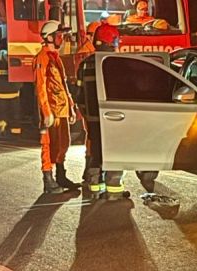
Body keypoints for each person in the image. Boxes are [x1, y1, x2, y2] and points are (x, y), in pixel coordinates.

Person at [76, 22, 130, 201]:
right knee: (114, 151)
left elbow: (79, 95)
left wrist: (87, 114)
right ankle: (114, 190)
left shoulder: (84, 65)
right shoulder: (116, 63)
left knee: (96, 150)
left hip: (92, 119)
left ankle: (94, 187)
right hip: (114, 118)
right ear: (111, 41)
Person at [33, 20, 80, 194]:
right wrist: (46, 112)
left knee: (63, 144)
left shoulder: (55, 58)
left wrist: (71, 106)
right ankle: (48, 180)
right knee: (48, 145)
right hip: (51, 111)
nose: (62, 39)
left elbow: (63, 84)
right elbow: (41, 86)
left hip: (61, 109)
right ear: (50, 37)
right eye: (59, 35)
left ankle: (61, 176)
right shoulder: (42, 58)